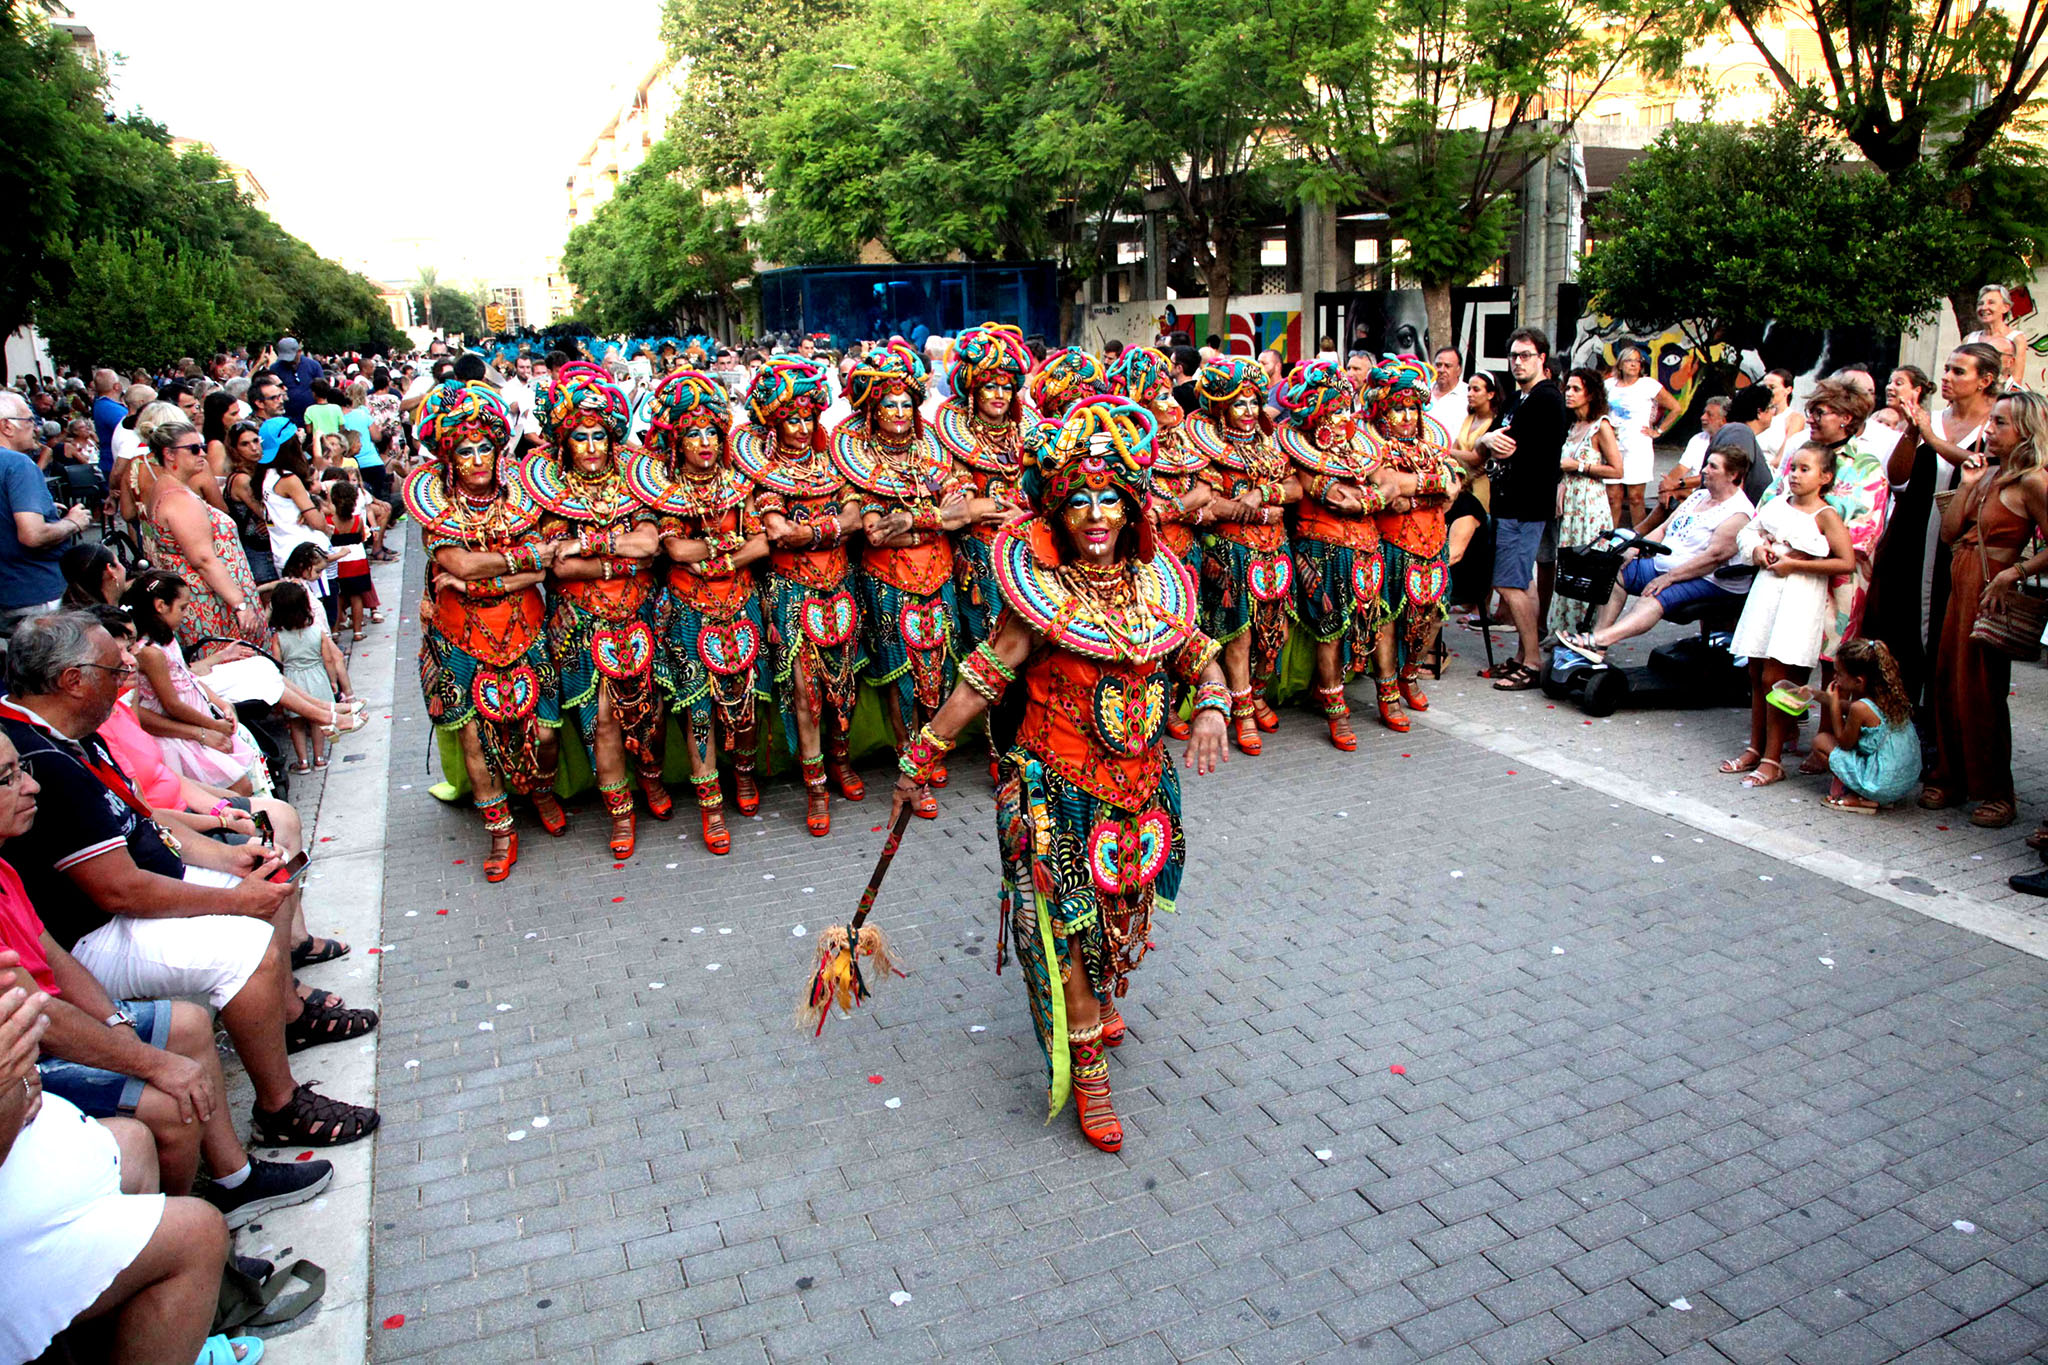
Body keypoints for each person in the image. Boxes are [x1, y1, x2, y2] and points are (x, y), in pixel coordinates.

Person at [889, 396, 1230, 1153]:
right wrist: (926, 749)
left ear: (1133, 506)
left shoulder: (1153, 582)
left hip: (1141, 788)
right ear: (1058, 510)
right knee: (1069, 931)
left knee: (1117, 918)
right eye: (1080, 500)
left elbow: (1195, 649)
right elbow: (985, 676)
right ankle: (1089, 1073)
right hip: (1057, 793)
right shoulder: (1037, 592)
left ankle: (1102, 1001)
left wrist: (1211, 702)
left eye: (1112, 498)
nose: (1098, 514)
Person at [0, 613, 379, 1145]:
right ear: (71, 681)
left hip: (135, 894)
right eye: (115, 667)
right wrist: (233, 900)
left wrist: (230, 860)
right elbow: (121, 890)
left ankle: (286, 1015)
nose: (129, 668)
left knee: (267, 880)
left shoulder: (68, 733)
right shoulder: (39, 758)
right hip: (95, 932)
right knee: (248, 943)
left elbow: (146, 818)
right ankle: (280, 1108)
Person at [406, 381, 566, 881]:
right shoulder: (436, 506)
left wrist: (482, 574)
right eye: (465, 450)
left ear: (499, 449)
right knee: (476, 738)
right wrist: (514, 563)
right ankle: (500, 830)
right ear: (448, 457)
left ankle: (540, 789)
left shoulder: (525, 496)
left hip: (527, 629)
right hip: (458, 637)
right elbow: (455, 561)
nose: (477, 458)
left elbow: (544, 567)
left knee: (543, 732)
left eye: (485, 448)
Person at [527, 362, 670, 860]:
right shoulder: (548, 492)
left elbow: (650, 545)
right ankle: (620, 812)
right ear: (564, 442)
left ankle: (651, 779)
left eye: (599, 436)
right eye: (580, 437)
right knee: (602, 720)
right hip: (581, 625)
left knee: (650, 712)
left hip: (642, 617)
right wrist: (619, 557)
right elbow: (558, 569)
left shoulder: (637, 480)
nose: (591, 447)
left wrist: (590, 546)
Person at [632, 371, 767, 855]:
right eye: (693, 433)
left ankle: (746, 778)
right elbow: (674, 549)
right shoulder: (663, 489)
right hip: (688, 612)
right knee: (699, 710)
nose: (705, 442)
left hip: (741, 604)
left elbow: (761, 542)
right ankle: (711, 807)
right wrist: (723, 548)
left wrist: (719, 555)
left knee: (746, 700)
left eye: (712, 432)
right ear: (676, 440)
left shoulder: (739, 483)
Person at [834, 344, 970, 816]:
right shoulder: (857, 459)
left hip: (939, 577)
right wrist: (932, 522)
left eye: (906, 403)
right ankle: (911, 763)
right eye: (887, 404)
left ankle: (930, 752)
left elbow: (962, 511)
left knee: (940, 672)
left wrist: (910, 522)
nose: (898, 412)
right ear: (872, 410)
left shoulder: (932, 449)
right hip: (889, 585)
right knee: (902, 680)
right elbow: (873, 533)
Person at [732, 359, 866, 834]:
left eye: (810, 417)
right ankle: (815, 786)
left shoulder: (836, 461)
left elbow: (855, 519)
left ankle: (842, 760)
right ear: (772, 422)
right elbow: (776, 532)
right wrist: (828, 531)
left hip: (840, 589)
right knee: (807, 692)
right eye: (792, 418)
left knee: (843, 686)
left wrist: (811, 530)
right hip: (791, 594)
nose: (804, 427)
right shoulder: (763, 473)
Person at [1920, 389, 2048, 829]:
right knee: (1945, 682)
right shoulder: (1988, 474)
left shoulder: (2033, 480)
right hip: (1961, 583)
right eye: (1990, 421)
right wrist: (1968, 487)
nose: (1990, 431)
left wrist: (2016, 571)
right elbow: (1950, 531)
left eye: (2001, 424)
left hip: (1990, 587)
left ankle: (1996, 791)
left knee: (1981, 691)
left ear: (2026, 431)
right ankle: (1950, 776)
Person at [1865, 342, 2001, 709]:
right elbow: (1897, 478)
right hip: (1911, 538)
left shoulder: (1996, 424)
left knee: (1946, 633)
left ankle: (1939, 725)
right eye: (1946, 369)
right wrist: (1913, 432)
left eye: (1959, 371)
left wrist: (1933, 437)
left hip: (1960, 545)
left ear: (1985, 380)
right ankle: (1900, 720)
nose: (1946, 377)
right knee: (1901, 627)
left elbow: (1984, 466)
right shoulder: (1932, 419)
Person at [1722, 444, 1855, 788]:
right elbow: (1749, 531)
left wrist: (1797, 563)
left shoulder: (1825, 515)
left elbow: (1845, 561)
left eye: (1805, 469)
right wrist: (1759, 549)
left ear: (1825, 477)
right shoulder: (1778, 503)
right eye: (1793, 467)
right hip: (1767, 593)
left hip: (1798, 598)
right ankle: (1756, 747)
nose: (1795, 474)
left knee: (1776, 679)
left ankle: (1773, 757)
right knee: (1755, 672)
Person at [931, 324, 1033, 768]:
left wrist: (1014, 512)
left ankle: (1026, 737)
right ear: (971, 389)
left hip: (1029, 556)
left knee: (1030, 651)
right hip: (979, 563)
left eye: (1007, 386)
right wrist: (994, 506)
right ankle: (999, 749)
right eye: (989, 385)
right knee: (989, 653)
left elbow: (1043, 493)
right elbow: (958, 509)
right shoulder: (951, 437)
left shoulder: (1028, 433)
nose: (999, 394)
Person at [1186, 357, 1296, 753]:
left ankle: (1259, 693)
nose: (1249, 412)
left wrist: (1262, 494)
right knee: (1240, 636)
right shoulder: (1207, 447)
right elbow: (1208, 504)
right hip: (1232, 553)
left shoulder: (1269, 442)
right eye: (1238, 403)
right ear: (1220, 407)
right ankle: (1243, 710)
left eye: (1253, 402)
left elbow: (1295, 489)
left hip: (1275, 553)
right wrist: (1261, 511)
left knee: (1275, 632)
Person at [1274, 360, 1385, 749]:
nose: (1339, 417)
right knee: (1330, 630)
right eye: (1331, 409)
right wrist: (1368, 497)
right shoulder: (1294, 444)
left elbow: (1388, 483)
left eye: (1343, 406)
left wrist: (1371, 498)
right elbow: (1329, 494)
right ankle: (1336, 710)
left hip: (1367, 548)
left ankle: (1384, 693)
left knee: (1373, 622)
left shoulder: (1361, 442)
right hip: (1321, 549)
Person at [1561, 448, 1755, 660]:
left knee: (1653, 594)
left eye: (1713, 466)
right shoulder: (1699, 496)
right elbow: (1663, 529)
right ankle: (1596, 646)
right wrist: (1636, 547)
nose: (1704, 470)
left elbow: (1712, 560)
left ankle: (1600, 639)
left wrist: (1669, 578)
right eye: (1706, 464)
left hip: (1709, 579)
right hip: (1667, 564)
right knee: (1614, 571)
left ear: (1733, 475)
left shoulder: (1738, 513)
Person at [1110, 348, 1212, 739]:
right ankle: (1160, 707)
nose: (1172, 404)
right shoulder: (1123, 447)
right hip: (1147, 558)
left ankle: (1180, 699)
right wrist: (1183, 507)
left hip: (1186, 550)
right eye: (1162, 397)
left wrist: (1167, 509)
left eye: (1171, 394)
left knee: (1188, 629)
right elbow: (1132, 505)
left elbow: (1204, 490)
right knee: (1151, 630)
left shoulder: (1184, 440)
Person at [1479, 328, 1568, 689]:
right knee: (1521, 582)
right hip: (1509, 502)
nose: (1518, 362)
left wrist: (1488, 441)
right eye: (1514, 356)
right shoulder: (1519, 399)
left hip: (1526, 504)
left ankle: (1532, 662)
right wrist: (1487, 440)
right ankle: (1521, 655)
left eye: (1526, 355)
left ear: (1542, 358)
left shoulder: (1546, 398)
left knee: (1509, 583)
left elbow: (1505, 445)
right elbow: (1492, 442)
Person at [137, 420, 270, 657]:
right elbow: (203, 559)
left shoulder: (168, 488)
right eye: (194, 449)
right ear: (169, 454)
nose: (203, 454)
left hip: (209, 598)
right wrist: (239, 604)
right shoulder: (178, 498)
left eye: (202, 446)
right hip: (211, 605)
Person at [120, 571, 262, 794]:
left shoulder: (166, 638)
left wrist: (222, 704)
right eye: (183, 608)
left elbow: (188, 678)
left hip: (199, 720)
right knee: (237, 787)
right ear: (161, 606)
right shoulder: (150, 652)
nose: (187, 614)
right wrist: (212, 726)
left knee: (242, 781)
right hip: (181, 734)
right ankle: (245, 826)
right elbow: (172, 704)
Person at [0, 389, 92, 637]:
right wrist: (73, 522)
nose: (36, 427)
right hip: (34, 590)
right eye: (29, 420)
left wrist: (45, 511)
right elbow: (32, 535)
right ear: (7, 426)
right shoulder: (18, 464)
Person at [1803, 638, 1921, 813]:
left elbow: (1844, 743)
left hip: (1880, 785)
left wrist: (1834, 707)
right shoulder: (1889, 697)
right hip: (1905, 782)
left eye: (1839, 674)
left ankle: (1863, 798)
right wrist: (1814, 694)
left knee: (1821, 742)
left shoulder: (1861, 708)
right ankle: (1875, 796)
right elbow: (1848, 707)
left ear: (1859, 681)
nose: (1835, 678)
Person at [1547, 367, 1623, 636]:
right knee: (1568, 565)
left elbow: (1617, 470)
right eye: (1567, 388)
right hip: (1571, 505)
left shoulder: (1600, 426)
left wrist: (1579, 466)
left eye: (1576, 389)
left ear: (1590, 393)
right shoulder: (1572, 425)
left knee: (1588, 566)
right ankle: (1565, 628)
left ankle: (1587, 630)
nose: (1569, 393)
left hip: (1590, 504)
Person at [1603, 344, 1681, 529]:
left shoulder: (1648, 385)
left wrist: (1658, 431)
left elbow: (1675, 408)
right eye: (1629, 360)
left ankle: (1637, 540)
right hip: (1613, 447)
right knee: (1613, 497)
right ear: (1620, 364)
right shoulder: (1608, 385)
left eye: (1637, 361)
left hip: (1637, 448)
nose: (1634, 365)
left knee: (1636, 498)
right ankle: (1607, 541)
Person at [1962, 284, 2028, 388]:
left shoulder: (2016, 339)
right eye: (1980, 304)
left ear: (2005, 307)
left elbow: (2016, 380)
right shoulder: (1969, 339)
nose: (1984, 307)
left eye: (1991, 303)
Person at [267, 337, 323, 422]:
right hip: (286, 416)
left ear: (299, 352)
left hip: (311, 416)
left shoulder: (314, 366)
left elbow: (322, 390)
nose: (288, 361)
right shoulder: (275, 368)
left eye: (291, 358)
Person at [1426, 346, 1467, 434]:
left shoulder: (1468, 394)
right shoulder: (1423, 390)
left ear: (1459, 370)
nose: (1441, 370)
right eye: (1438, 365)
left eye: (1447, 366)